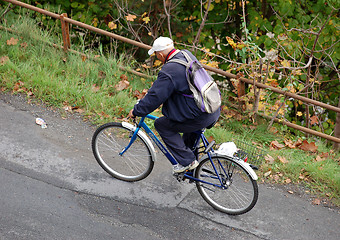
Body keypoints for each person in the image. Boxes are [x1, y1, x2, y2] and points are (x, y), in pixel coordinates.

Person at [128, 36, 220, 173]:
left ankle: (188, 162)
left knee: (162, 124)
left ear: (160, 54)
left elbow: (155, 97)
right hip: (212, 108)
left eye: (156, 55)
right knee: (187, 135)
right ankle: (192, 170)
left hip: (200, 115)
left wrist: (137, 111)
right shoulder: (186, 54)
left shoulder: (169, 70)